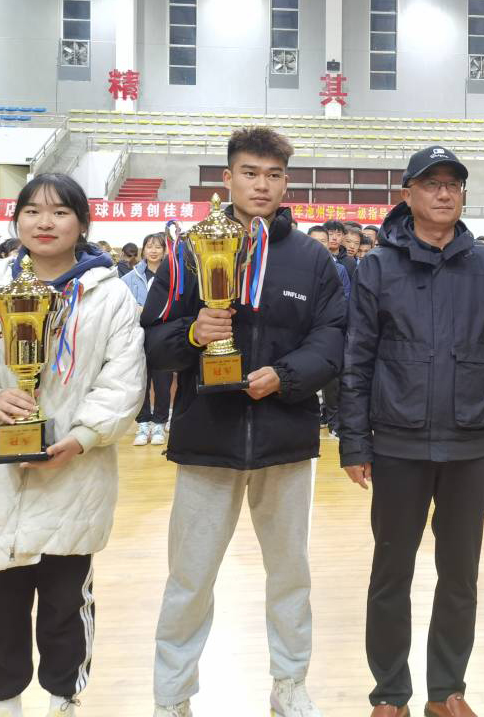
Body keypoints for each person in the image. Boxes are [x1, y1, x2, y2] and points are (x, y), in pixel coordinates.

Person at [0, 173, 145, 717]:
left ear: (82, 223)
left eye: (60, 212)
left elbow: (123, 380)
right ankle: (3, 701)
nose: (45, 222)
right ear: (16, 220)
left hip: (74, 474)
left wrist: (82, 437)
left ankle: (63, 699)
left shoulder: (109, 295)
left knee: (66, 605)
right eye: (33, 211)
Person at [143, 127, 345, 717]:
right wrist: (191, 334)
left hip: (285, 438)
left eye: (273, 175)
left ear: (286, 183)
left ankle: (289, 683)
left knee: (290, 574)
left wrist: (285, 374)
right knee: (190, 576)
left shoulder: (311, 258)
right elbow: (153, 340)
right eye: (250, 173)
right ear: (227, 178)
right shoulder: (188, 251)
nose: (262, 185)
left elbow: (334, 337)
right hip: (207, 437)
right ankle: (172, 695)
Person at [340, 146, 484, 717]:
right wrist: (354, 442)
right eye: (431, 183)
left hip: (469, 442)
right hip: (397, 442)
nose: (444, 193)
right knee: (391, 574)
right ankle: (389, 694)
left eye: (453, 185)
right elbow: (357, 358)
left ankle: (447, 691)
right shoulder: (377, 266)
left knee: (460, 575)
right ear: (408, 194)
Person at [123, 232, 172, 446]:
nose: (153, 251)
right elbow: (121, 305)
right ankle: (143, 423)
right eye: (149, 246)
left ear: (164, 251)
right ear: (143, 250)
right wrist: (137, 309)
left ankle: (160, 423)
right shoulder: (130, 277)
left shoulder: (172, 275)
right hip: (137, 335)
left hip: (163, 335)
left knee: (163, 381)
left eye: (158, 247)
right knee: (140, 381)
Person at [308, 225, 350, 435]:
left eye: (323, 241)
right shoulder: (298, 267)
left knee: (332, 380)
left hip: (328, 329)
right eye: (314, 241)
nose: (319, 245)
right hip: (304, 329)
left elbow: (345, 299)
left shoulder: (339, 269)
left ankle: (334, 421)